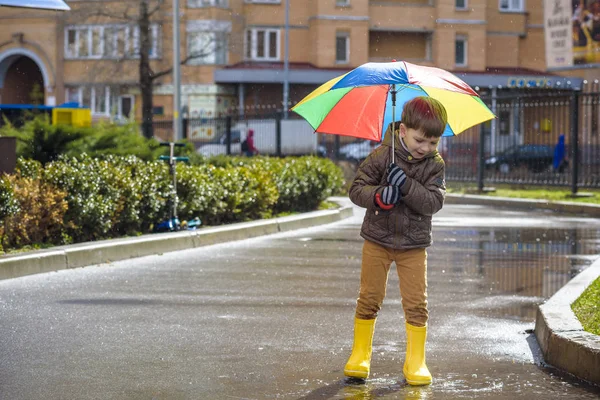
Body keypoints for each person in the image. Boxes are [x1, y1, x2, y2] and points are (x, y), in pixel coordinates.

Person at [345, 96, 448, 386]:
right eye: (420, 140)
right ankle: (360, 355)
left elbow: (432, 202)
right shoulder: (381, 155)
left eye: (433, 142)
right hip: (378, 240)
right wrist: (378, 195)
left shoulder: (435, 165)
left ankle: (416, 360)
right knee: (369, 298)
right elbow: (357, 189)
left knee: (416, 303)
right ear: (403, 130)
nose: (425, 148)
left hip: (413, 246)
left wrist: (405, 185)